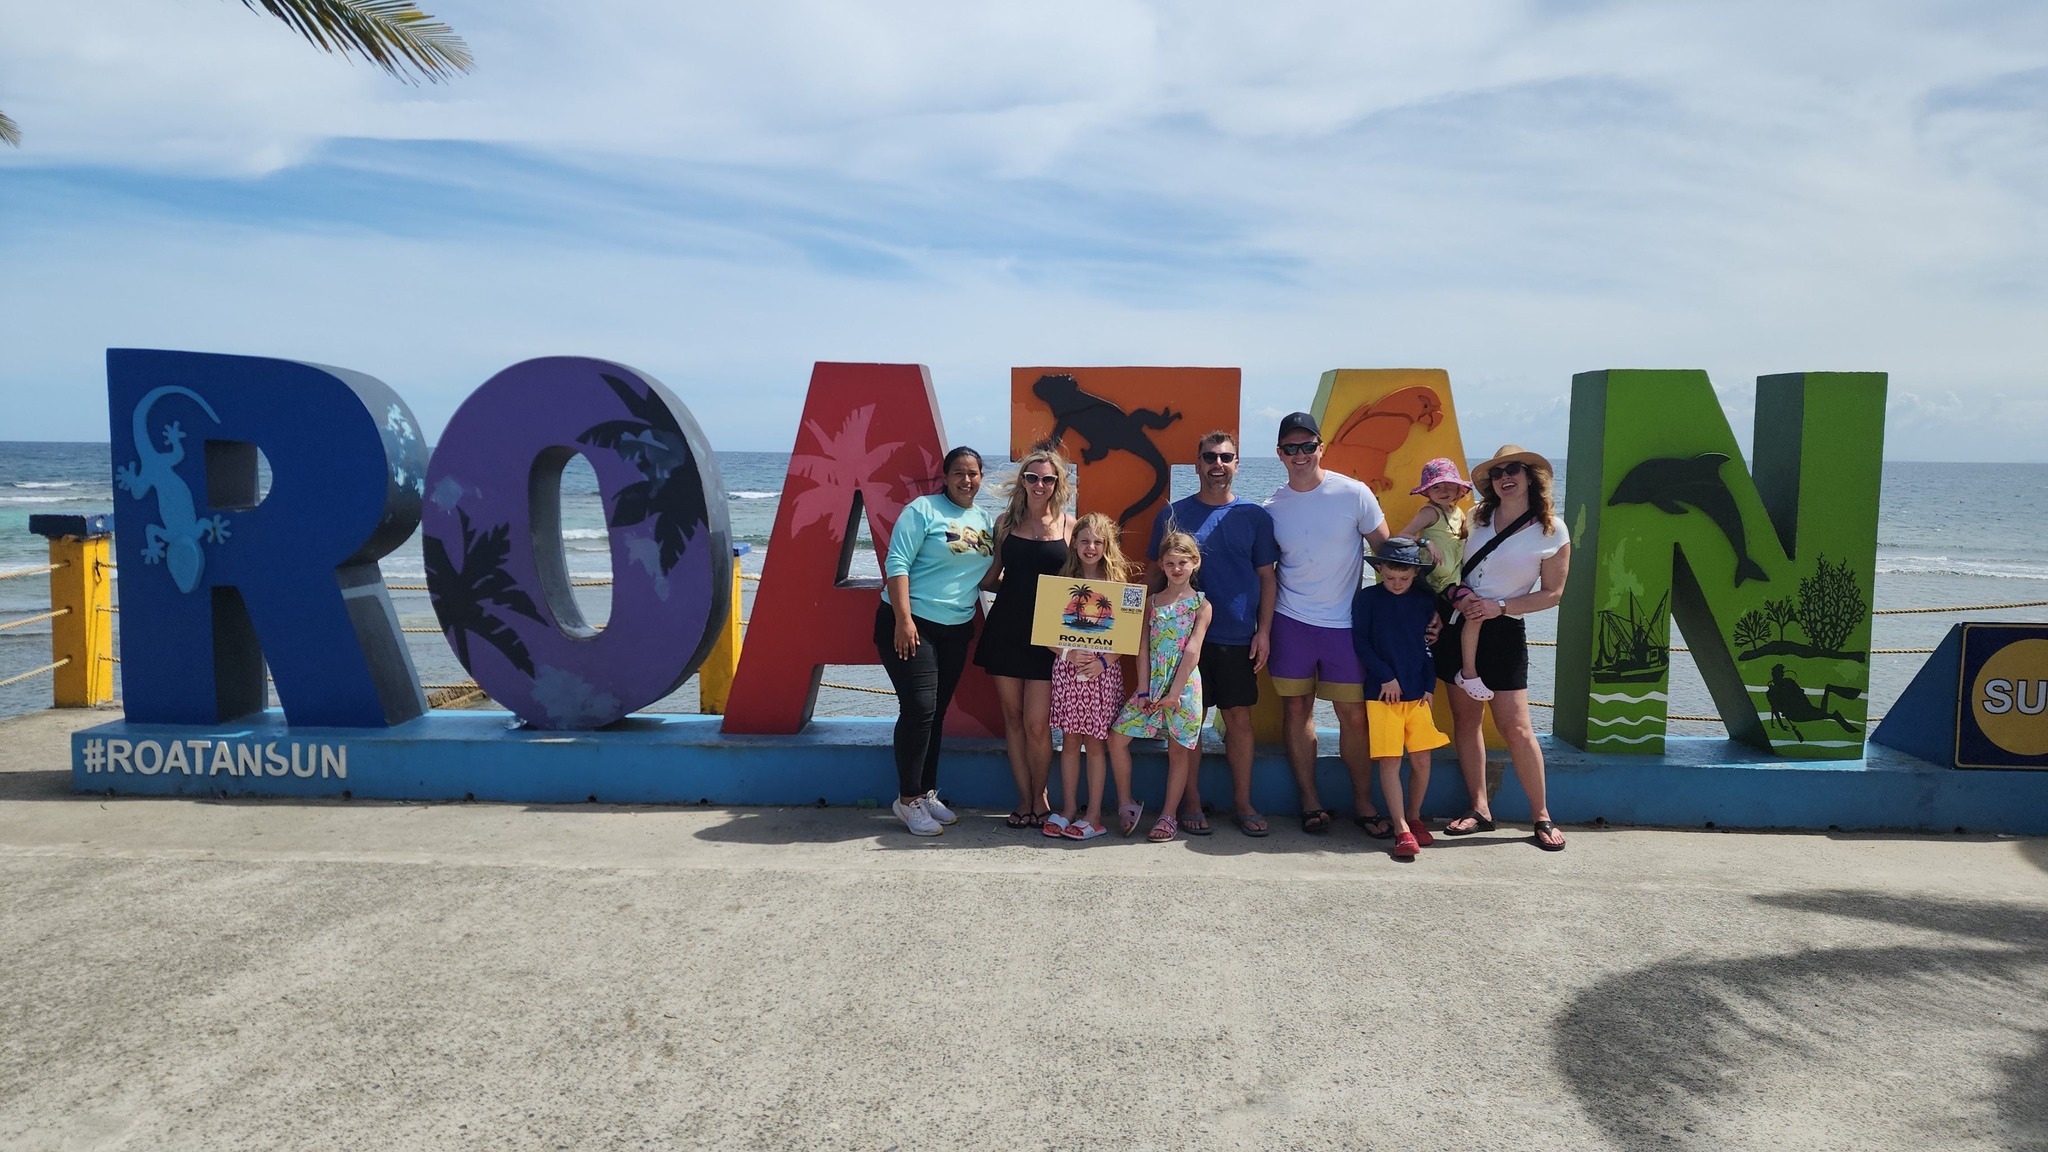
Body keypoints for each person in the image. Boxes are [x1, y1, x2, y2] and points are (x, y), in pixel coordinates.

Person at [1434, 444, 1571, 851]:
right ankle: (1479, 809)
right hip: (1458, 623)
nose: (1504, 477)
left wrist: (1500, 606)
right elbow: (1448, 562)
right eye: (1497, 473)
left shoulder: (1552, 530)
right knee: (1466, 720)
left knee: (1516, 728)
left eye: (1514, 469)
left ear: (1532, 476)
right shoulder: (1475, 517)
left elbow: (1552, 594)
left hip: (1505, 629)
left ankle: (1541, 816)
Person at [1263, 412, 1392, 836]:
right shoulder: (1271, 509)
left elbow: (1387, 558)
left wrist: (1402, 618)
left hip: (1345, 626)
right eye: (1290, 448)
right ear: (1279, 454)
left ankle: (1363, 802)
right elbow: (1262, 573)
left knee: (1353, 715)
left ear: (1322, 447)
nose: (1299, 455)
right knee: (1296, 709)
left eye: (1307, 446)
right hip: (1291, 624)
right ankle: (1310, 801)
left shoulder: (1355, 494)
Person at [1147, 430, 1279, 836]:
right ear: (1197, 462)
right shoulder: (1172, 514)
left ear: (1237, 464)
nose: (1217, 465)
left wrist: (1265, 632)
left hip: (1238, 637)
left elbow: (1267, 579)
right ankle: (1189, 801)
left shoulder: (1255, 517)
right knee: (1191, 722)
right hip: (1183, 641)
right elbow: (1154, 577)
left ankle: (1242, 803)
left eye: (1226, 458)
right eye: (1210, 457)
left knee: (1239, 719)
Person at [875, 447, 995, 836]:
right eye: (959, 472)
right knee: (919, 709)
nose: (967, 480)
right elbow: (897, 564)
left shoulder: (984, 519)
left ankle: (925, 793)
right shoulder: (922, 510)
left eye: (973, 473)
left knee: (935, 714)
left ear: (981, 477)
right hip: (914, 625)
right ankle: (907, 801)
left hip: (957, 627)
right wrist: (903, 619)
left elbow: (988, 577)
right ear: (945, 477)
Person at [974, 448, 1073, 829]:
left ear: (1057, 484)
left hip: (1048, 637)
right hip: (1006, 629)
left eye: (1047, 479)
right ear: (1023, 482)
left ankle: (1042, 795)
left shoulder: (1070, 526)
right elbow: (991, 575)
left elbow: (1083, 582)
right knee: (1013, 720)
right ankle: (1025, 798)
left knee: (1037, 723)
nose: (1039, 485)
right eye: (1032, 478)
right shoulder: (1004, 522)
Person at [1351, 538, 1451, 860]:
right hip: (1382, 695)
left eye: (1404, 578)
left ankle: (1415, 815)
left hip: (1417, 694)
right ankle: (1400, 828)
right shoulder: (1368, 599)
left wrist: (1429, 687)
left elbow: (1426, 646)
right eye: (1390, 577)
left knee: (1422, 759)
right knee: (1390, 760)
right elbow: (1361, 643)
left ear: (1414, 574)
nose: (1397, 584)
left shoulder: (1423, 600)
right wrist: (1386, 676)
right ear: (1379, 570)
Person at [1108, 530, 1211, 842]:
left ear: (1195, 563)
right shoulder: (1151, 603)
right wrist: (1143, 690)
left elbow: (1193, 649)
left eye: (1183, 562)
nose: (1176, 569)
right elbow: (1142, 648)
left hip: (1183, 687)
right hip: (1151, 684)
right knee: (1117, 738)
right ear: (1162, 566)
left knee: (1178, 752)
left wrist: (1175, 693)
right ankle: (1126, 803)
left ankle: (1169, 815)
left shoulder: (1201, 605)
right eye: (1170, 563)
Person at [1044, 513, 1131, 842]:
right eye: (1084, 541)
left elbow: (1126, 639)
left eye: (1097, 541)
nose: (1091, 547)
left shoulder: (1118, 585)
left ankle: (1093, 815)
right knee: (1069, 743)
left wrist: (1103, 663)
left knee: (1096, 745)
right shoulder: (1062, 581)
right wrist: (1067, 653)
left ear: (1106, 545)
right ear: (1074, 544)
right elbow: (1047, 633)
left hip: (1102, 675)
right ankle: (1068, 809)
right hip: (1067, 672)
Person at [1395, 457, 1493, 700]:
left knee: (1435, 636)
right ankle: (1468, 673)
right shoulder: (1430, 512)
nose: (1444, 491)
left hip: (1454, 581)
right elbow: (1402, 535)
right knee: (1476, 610)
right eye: (1437, 486)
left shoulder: (1458, 513)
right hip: (1437, 583)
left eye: (1449, 485)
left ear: (1460, 489)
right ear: (1427, 490)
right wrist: (1426, 541)